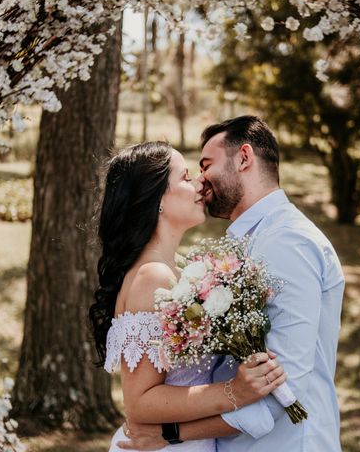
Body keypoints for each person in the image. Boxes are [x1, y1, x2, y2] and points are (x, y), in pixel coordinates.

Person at [121, 116, 344, 451]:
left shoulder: (286, 241)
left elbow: (283, 386)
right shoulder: (251, 243)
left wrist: (173, 432)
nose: (200, 181)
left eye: (206, 165)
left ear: (243, 158)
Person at [89, 141, 288, 452]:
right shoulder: (152, 277)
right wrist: (234, 391)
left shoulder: (177, 270)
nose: (200, 182)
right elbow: (139, 402)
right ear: (156, 199)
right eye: (185, 177)